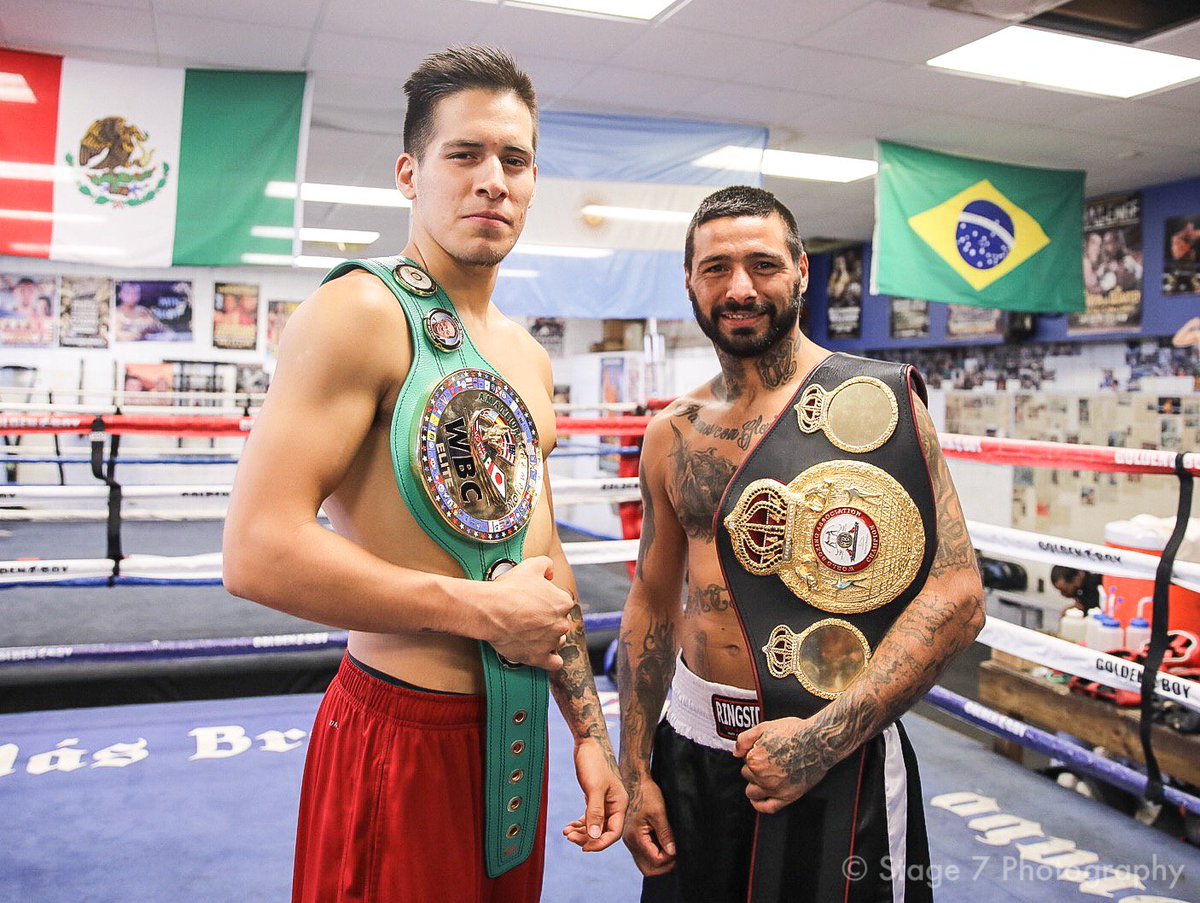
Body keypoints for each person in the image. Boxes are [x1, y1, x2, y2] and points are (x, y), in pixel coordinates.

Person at [223, 45, 625, 903]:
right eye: (465, 154)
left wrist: (588, 731)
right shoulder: (359, 311)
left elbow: (543, 565)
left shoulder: (526, 356)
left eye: (514, 160)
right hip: (401, 730)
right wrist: (476, 608)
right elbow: (256, 549)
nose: (492, 181)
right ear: (410, 173)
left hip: (516, 737)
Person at [609, 186, 984, 903]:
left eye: (763, 265)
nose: (740, 288)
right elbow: (652, 603)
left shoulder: (878, 404)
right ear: (689, 282)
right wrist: (634, 766)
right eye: (716, 268)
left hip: (836, 753)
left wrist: (822, 739)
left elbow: (959, 596)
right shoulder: (672, 433)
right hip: (691, 753)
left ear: (802, 270)